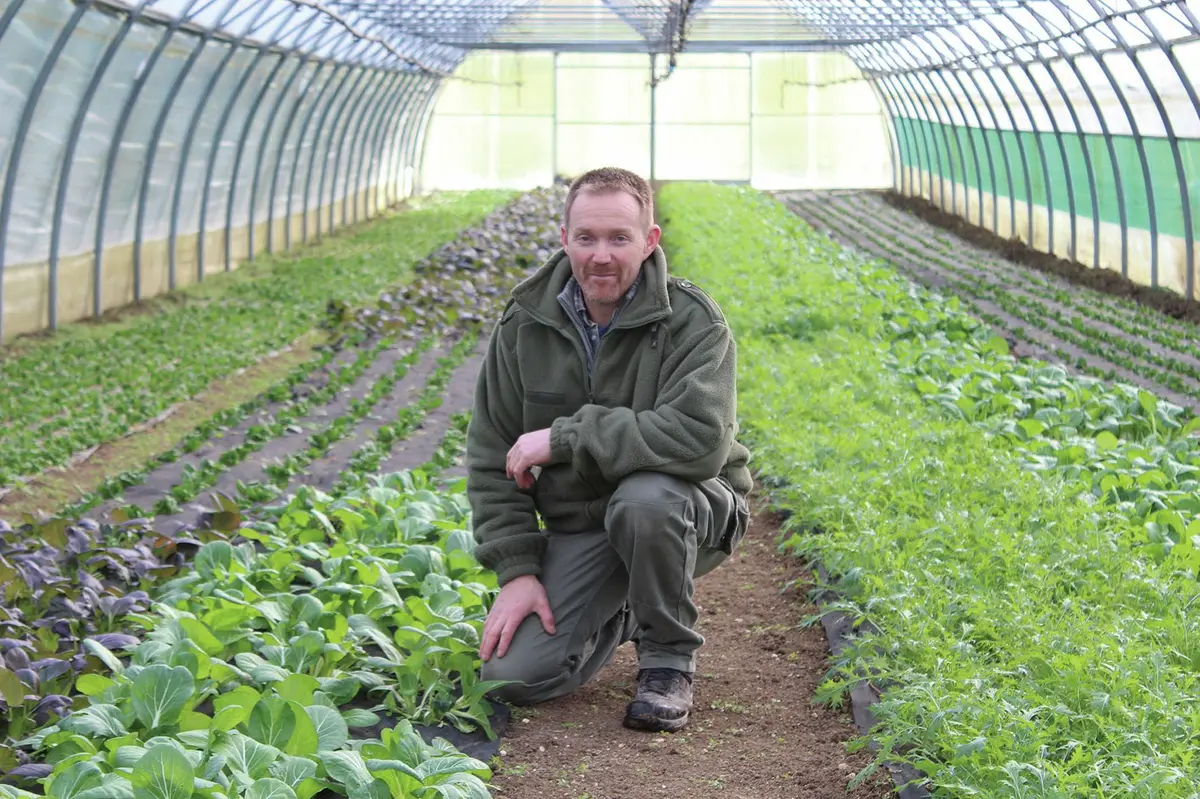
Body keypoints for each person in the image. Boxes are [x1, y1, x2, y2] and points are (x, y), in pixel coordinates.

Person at [464, 166, 752, 733]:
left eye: (620, 238)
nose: (601, 255)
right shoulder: (525, 324)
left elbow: (698, 441)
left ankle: (666, 659)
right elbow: (491, 452)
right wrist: (518, 570)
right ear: (563, 237)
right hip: (583, 525)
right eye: (586, 237)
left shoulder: (692, 321)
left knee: (647, 499)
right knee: (512, 676)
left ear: (649, 242)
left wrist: (566, 437)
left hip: (686, 512)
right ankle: (623, 603)